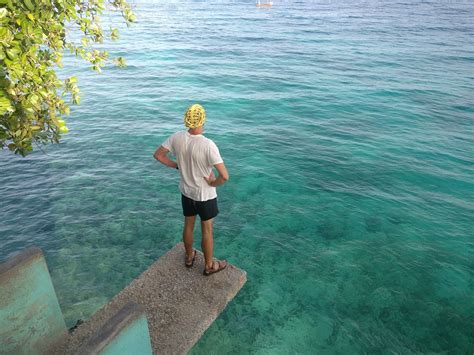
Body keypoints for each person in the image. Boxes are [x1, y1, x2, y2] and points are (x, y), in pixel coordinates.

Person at [154, 104, 229, 276]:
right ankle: (209, 266)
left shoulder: (176, 137)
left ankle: (189, 257)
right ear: (203, 120)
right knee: (207, 230)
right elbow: (224, 176)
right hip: (205, 195)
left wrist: (177, 166)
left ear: (187, 120)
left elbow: (158, 155)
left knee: (188, 225)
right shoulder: (208, 145)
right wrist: (213, 183)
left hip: (186, 193)